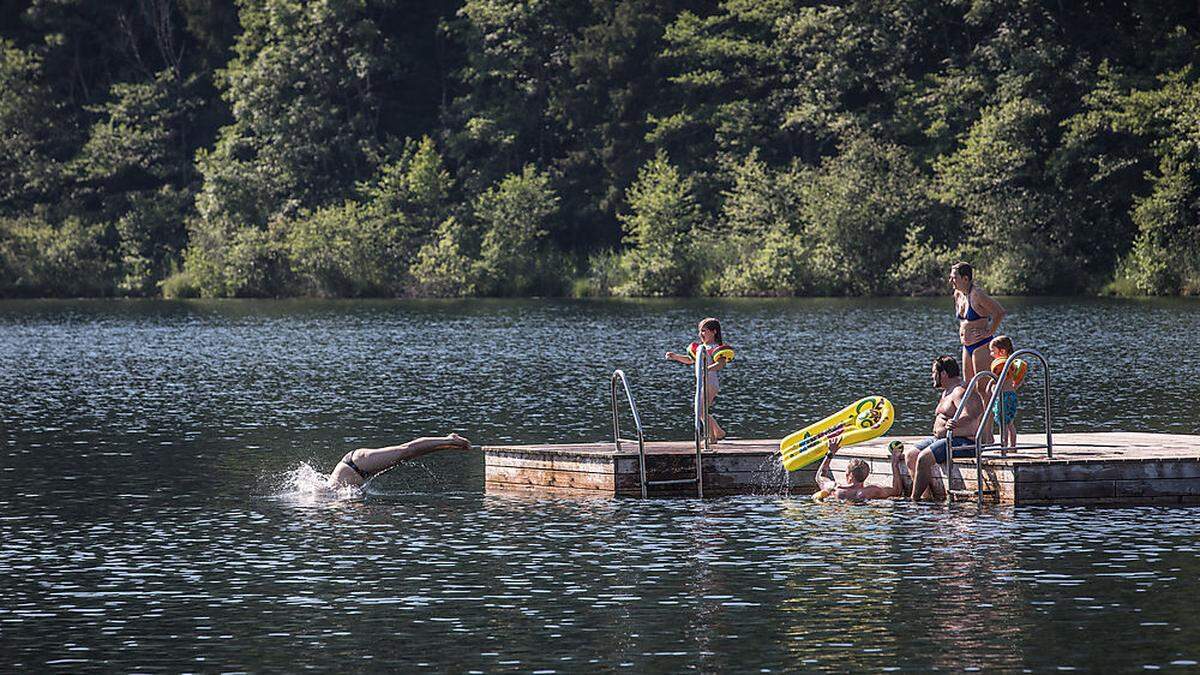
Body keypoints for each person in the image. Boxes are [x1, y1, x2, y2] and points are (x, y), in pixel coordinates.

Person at [904, 356, 987, 501]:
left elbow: (974, 411)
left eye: (933, 372)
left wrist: (955, 423)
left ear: (943, 374)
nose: (932, 376)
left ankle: (914, 501)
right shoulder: (947, 391)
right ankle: (926, 497)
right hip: (941, 438)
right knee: (911, 455)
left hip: (963, 442)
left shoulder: (960, 390)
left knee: (924, 458)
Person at [665, 317, 734, 442]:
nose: (700, 334)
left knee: (700, 410)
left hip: (710, 382)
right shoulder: (700, 348)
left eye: (704, 331)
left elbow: (721, 364)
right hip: (701, 383)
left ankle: (711, 437)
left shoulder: (715, 348)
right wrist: (675, 356)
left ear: (714, 332)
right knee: (701, 410)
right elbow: (690, 360)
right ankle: (718, 431)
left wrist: (707, 368)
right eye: (700, 331)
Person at [326, 434, 473, 488]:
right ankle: (448, 445)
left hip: (357, 463)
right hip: (361, 471)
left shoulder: (321, 494)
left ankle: (449, 439)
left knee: (405, 450)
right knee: (409, 455)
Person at [950, 262, 1006, 383]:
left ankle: (991, 402)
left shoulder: (977, 294)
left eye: (954, 278)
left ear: (965, 278)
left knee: (983, 386)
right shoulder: (958, 294)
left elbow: (999, 312)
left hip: (981, 344)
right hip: (966, 346)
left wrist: (989, 332)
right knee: (969, 385)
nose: (951, 281)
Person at [813, 437, 906, 501]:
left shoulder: (835, 488)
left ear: (850, 475)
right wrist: (894, 464)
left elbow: (820, 477)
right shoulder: (872, 491)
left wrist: (830, 454)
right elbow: (897, 491)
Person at [983, 335, 1027, 448]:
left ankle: (1005, 447)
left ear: (1002, 351)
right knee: (1009, 423)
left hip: (1004, 397)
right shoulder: (1011, 365)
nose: (991, 354)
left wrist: (991, 389)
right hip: (1011, 395)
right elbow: (1017, 382)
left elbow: (999, 383)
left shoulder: (1003, 366)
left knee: (1004, 424)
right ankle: (1012, 446)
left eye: (993, 351)